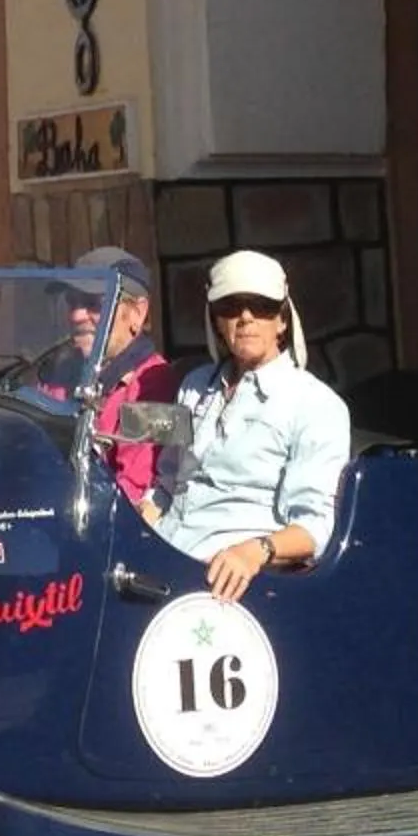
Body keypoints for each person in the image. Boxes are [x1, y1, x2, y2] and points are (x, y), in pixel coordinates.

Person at [150, 249, 351, 601]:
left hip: (232, 585)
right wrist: (140, 516)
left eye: (261, 306)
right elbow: (167, 485)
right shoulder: (195, 386)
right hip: (162, 561)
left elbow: (317, 526)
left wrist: (255, 551)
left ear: (282, 320)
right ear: (215, 321)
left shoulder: (314, 404)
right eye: (231, 306)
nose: (245, 317)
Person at [66, 247, 178, 501]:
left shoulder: (155, 384)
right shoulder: (59, 372)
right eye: (72, 302)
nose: (76, 316)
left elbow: (133, 493)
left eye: (95, 304)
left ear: (137, 313)